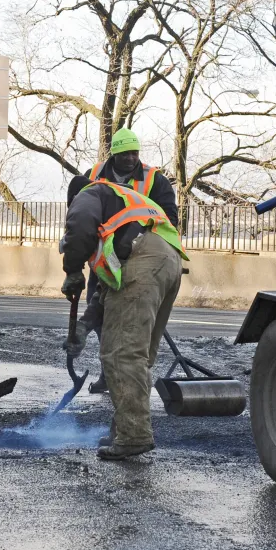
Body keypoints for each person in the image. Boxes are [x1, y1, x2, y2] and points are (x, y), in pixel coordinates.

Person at [60, 172, 189, 460]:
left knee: (121, 355)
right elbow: (108, 289)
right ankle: (125, 429)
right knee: (138, 354)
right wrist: (82, 327)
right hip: (169, 262)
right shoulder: (121, 210)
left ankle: (134, 435)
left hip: (146, 262)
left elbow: (78, 227)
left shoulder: (89, 194)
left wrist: (71, 268)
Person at [82, 128, 178, 394]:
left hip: (141, 257)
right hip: (105, 254)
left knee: (134, 321)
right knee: (100, 312)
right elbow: (83, 210)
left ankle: (132, 377)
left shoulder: (154, 180)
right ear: (114, 154)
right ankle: (108, 372)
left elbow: (170, 218)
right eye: (125, 154)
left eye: (135, 153)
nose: (131, 159)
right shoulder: (94, 175)